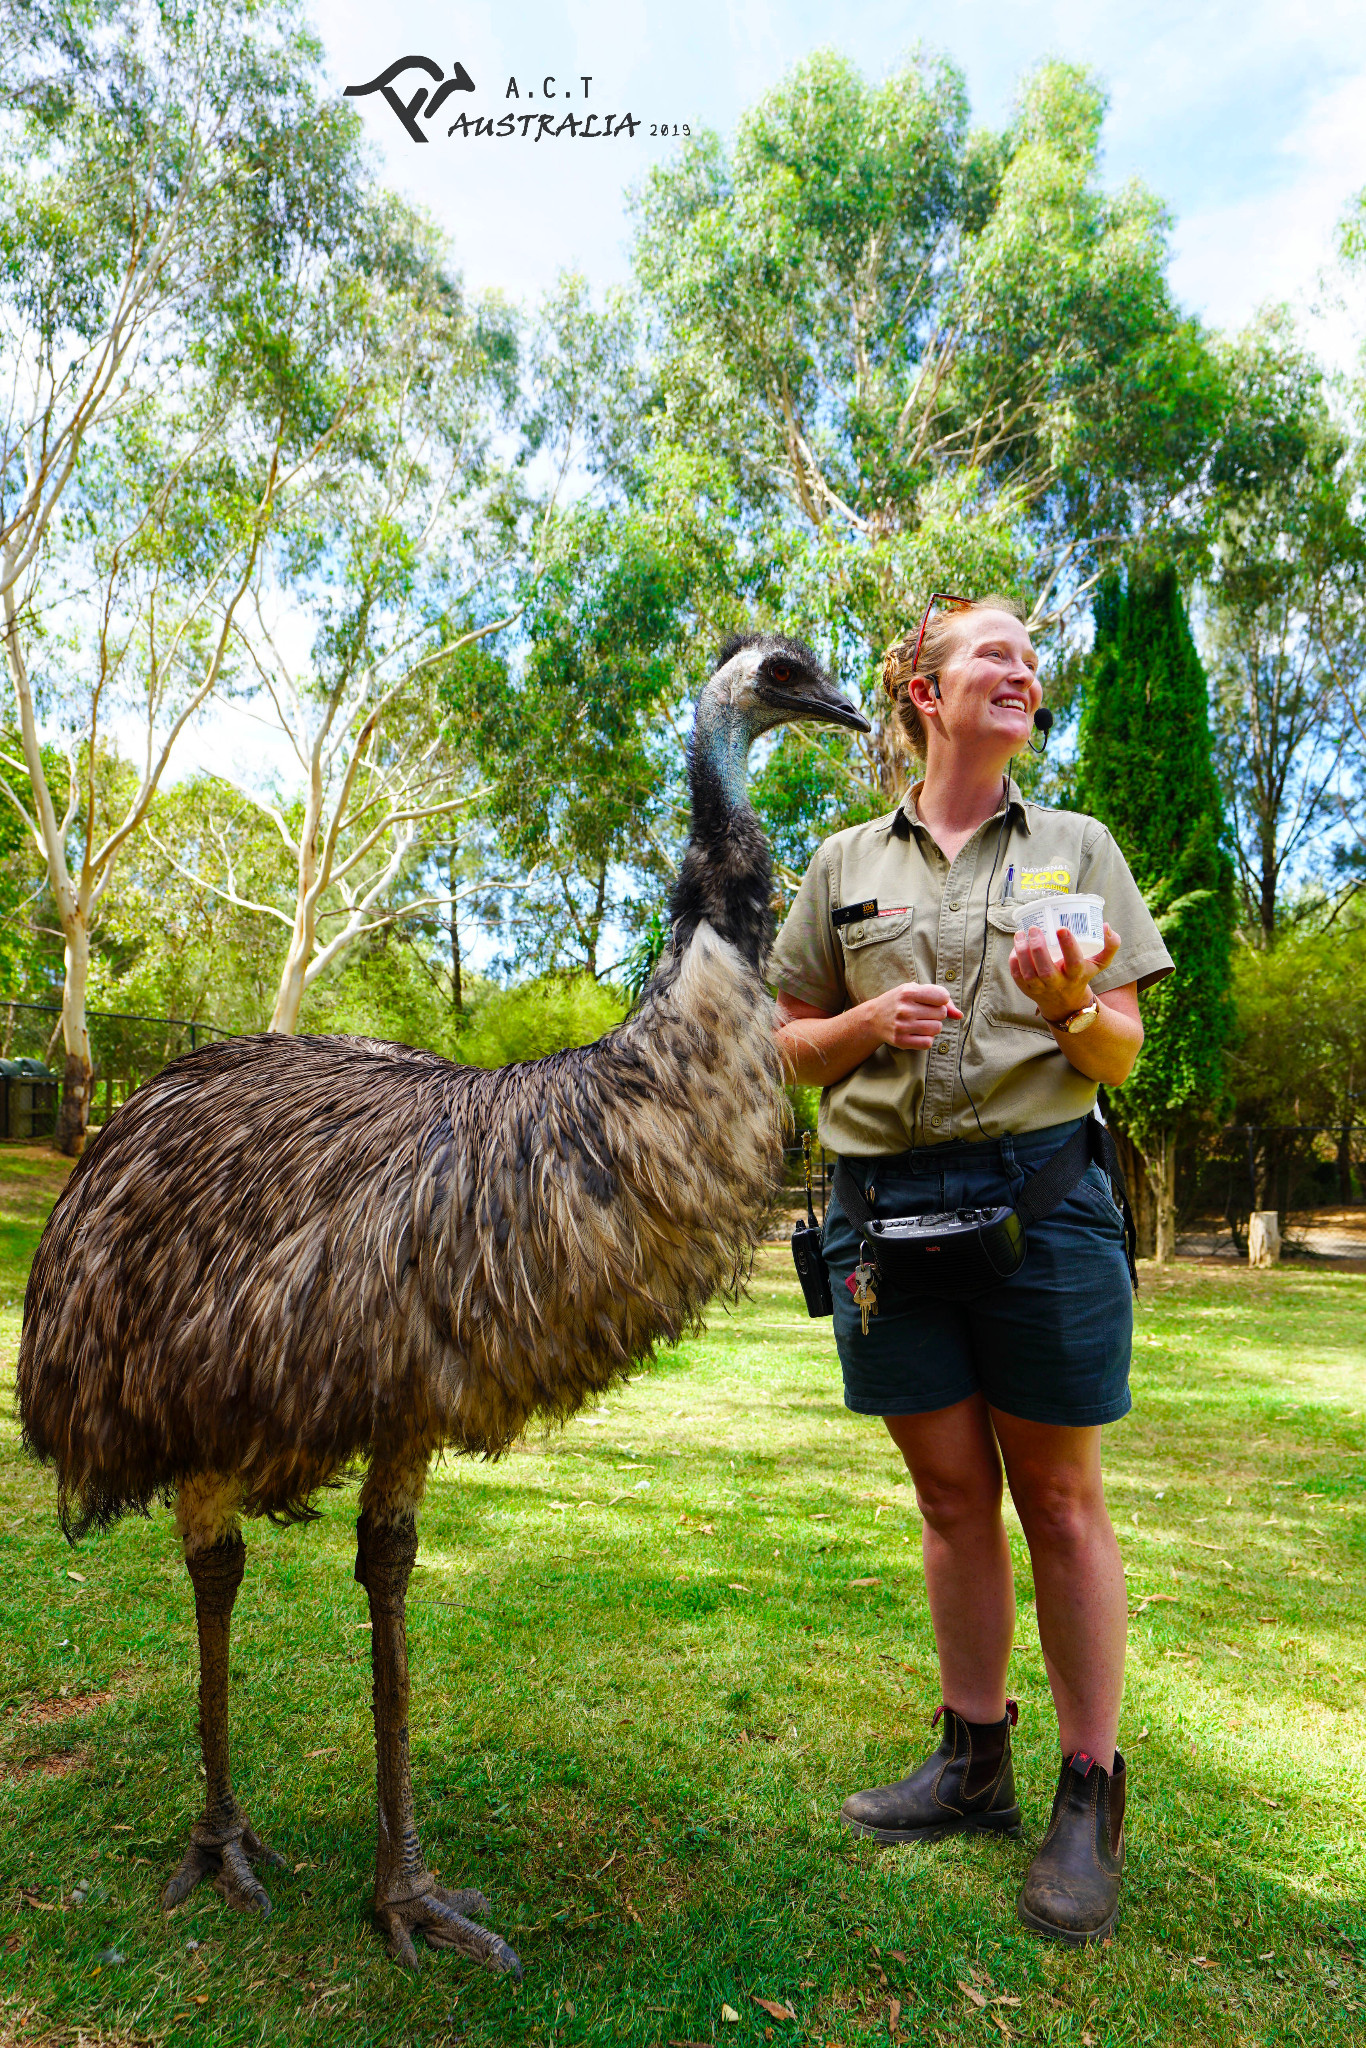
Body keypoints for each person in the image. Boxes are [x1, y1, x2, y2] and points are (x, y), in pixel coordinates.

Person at [770, 594, 1173, 1947]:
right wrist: (863, 1022)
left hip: (1041, 1199)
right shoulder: (838, 865)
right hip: (879, 1215)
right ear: (919, 689)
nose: (1021, 668)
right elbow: (777, 1043)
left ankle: (1085, 1790)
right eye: (990, 652)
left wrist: (1069, 1005)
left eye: (1026, 657)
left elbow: (1115, 1055)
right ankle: (969, 1763)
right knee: (950, 1502)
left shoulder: (1076, 848)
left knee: (1057, 1505)